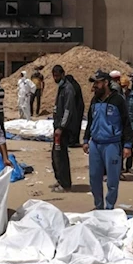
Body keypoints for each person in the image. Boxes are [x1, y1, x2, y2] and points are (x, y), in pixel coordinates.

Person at [83, 70, 133, 210]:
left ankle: (109, 207)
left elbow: (126, 123)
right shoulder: (94, 101)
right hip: (95, 144)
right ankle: (98, 206)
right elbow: (90, 122)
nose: (94, 86)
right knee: (94, 178)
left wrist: (128, 145)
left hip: (112, 144)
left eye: (97, 82)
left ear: (106, 83)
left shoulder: (117, 100)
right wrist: (86, 139)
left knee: (112, 180)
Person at [49, 65, 77, 193]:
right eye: (54, 76)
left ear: (62, 74)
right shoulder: (61, 88)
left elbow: (68, 110)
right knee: (55, 155)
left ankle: (65, 183)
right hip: (58, 127)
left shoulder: (68, 89)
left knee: (61, 156)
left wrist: (61, 127)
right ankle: (59, 179)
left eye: (57, 76)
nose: (55, 78)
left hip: (63, 129)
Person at [65, 74, 85, 146]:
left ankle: (72, 141)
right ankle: (74, 140)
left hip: (77, 108)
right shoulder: (74, 85)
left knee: (74, 124)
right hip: (77, 107)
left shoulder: (73, 87)